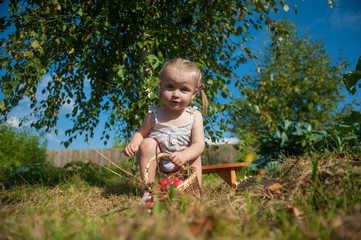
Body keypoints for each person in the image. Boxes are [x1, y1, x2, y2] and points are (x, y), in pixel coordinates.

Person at [124, 58, 208, 202]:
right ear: (161, 87)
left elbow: (199, 144)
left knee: (195, 153)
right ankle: (148, 190)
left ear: (194, 93)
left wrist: (184, 155)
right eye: (170, 87)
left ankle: (194, 190)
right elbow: (141, 133)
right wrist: (134, 143)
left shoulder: (194, 116)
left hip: (185, 162)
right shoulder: (154, 116)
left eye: (184, 89)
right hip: (160, 161)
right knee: (147, 143)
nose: (176, 94)